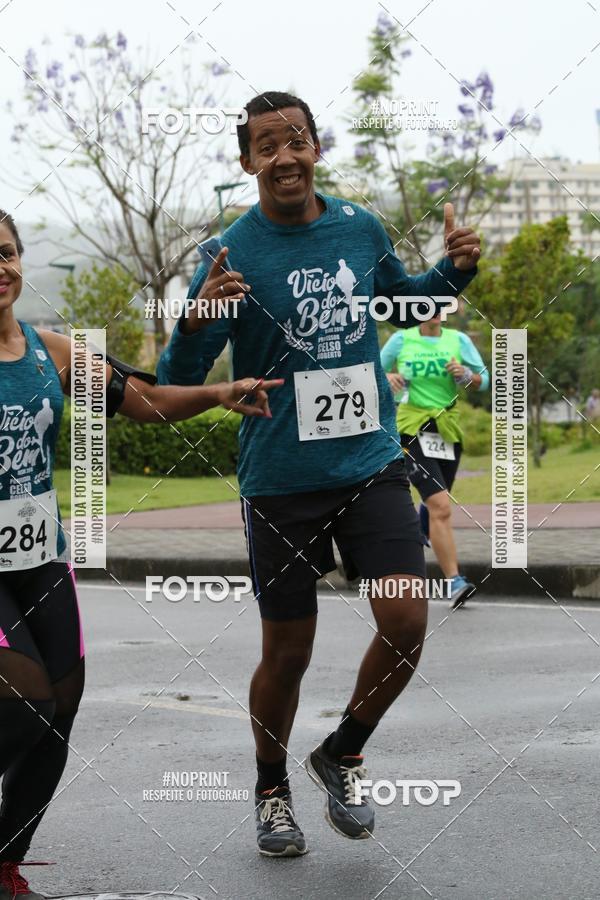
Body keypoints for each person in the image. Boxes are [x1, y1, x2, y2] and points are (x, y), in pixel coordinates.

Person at [157, 90, 481, 856]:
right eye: (267, 146)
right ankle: (271, 788)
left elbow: (401, 305)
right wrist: (199, 317)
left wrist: (455, 272)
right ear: (246, 162)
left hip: (369, 463)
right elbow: (179, 375)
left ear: (316, 148)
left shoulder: (359, 226)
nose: (285, 157)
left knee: (405, 622)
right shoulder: (228, 255)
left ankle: (342, 750)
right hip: (281, 480)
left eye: (296, 140)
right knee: (288, 653)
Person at [0, 209, 282, 900]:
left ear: (20, 261)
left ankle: (5, 861)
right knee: (26, 699)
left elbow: (146, 401)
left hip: (39, 557)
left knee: (62, 702)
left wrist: (219, 391)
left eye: (6, 253)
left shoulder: (52, 352)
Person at [381, 314, 489, 608]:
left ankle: (420, 523)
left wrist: (465, 375)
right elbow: (370, 371)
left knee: (436, 504)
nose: (435, 310)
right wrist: (387, 376)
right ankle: (454, 581)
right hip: (410, 428)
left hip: (446, 431)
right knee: (441, 505)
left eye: (441, 303)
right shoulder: (402, 339)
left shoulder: (459, 340)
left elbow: (484, 381)